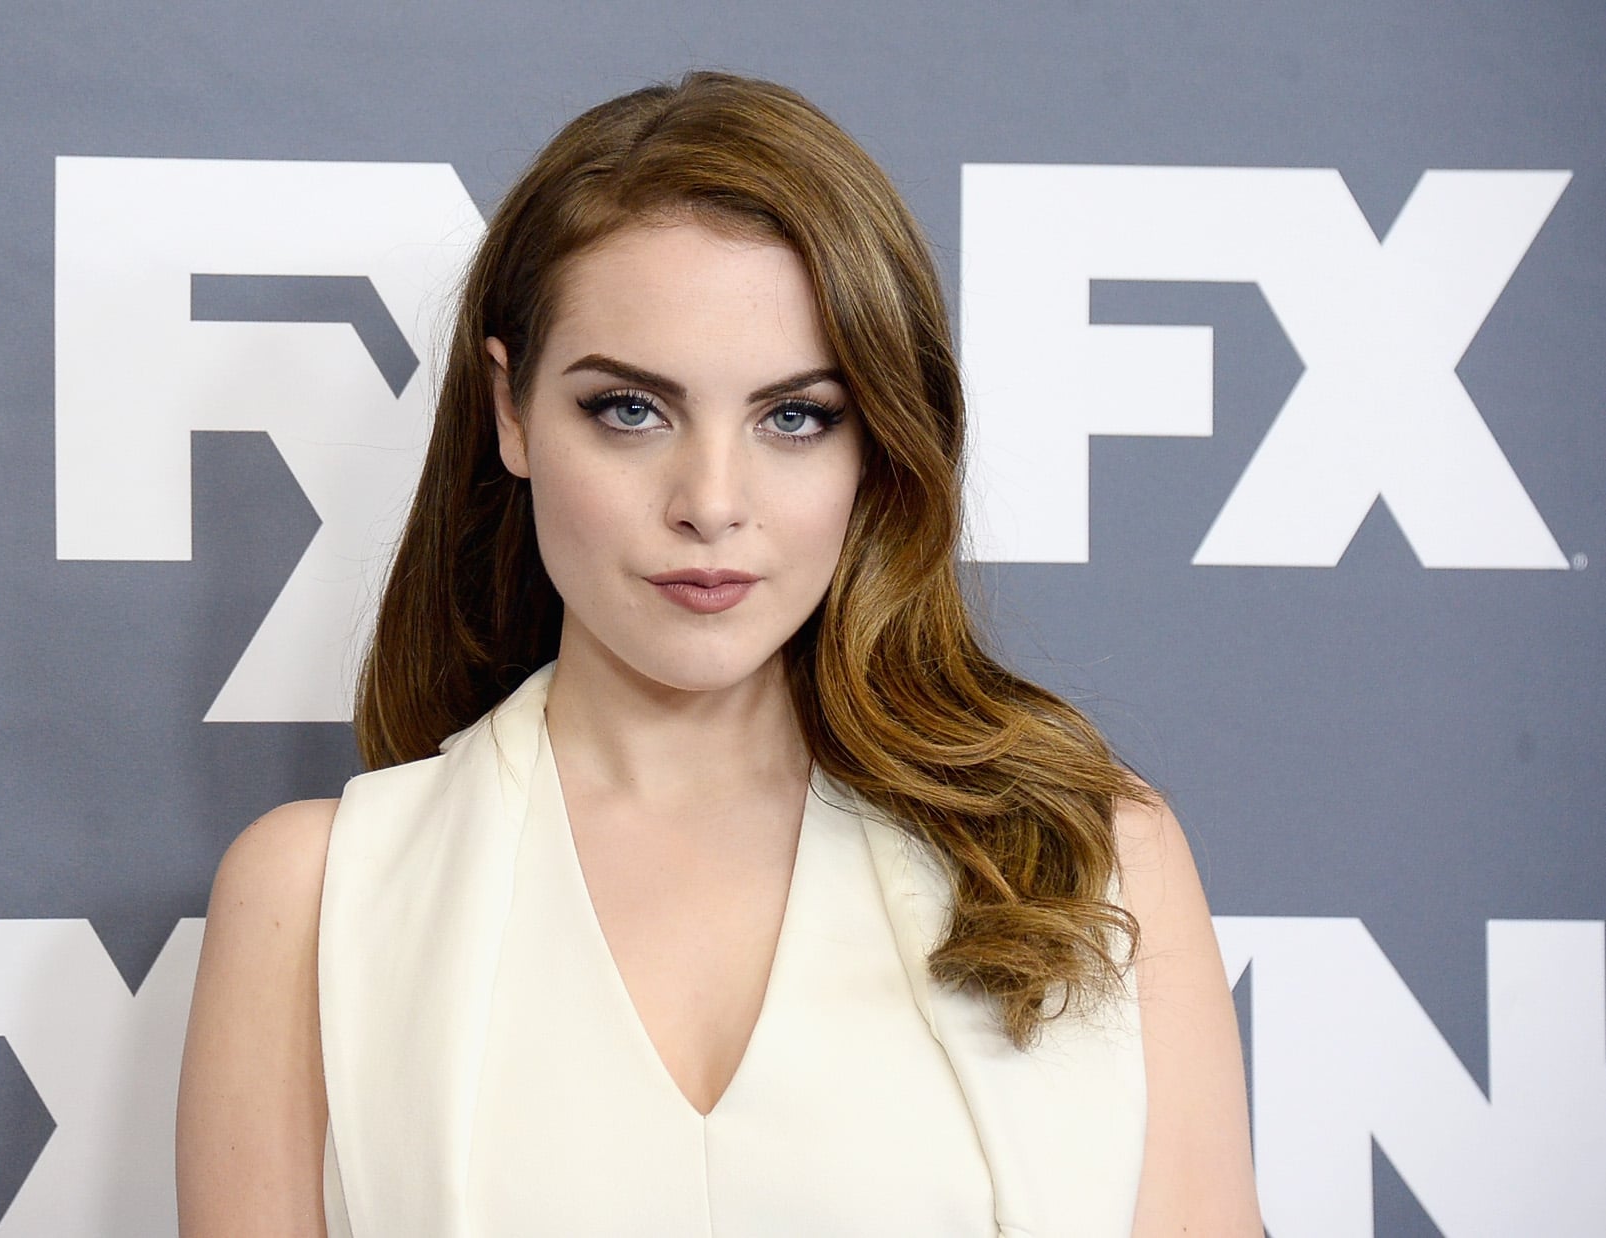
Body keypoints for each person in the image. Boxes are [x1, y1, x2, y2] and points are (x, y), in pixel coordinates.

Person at [176, 70, 1261, 1236]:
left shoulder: (1090, 856)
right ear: (511, 410)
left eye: (795, 416)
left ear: (875, 441)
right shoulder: (315, 895)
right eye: (630, 409)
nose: (710, 500)